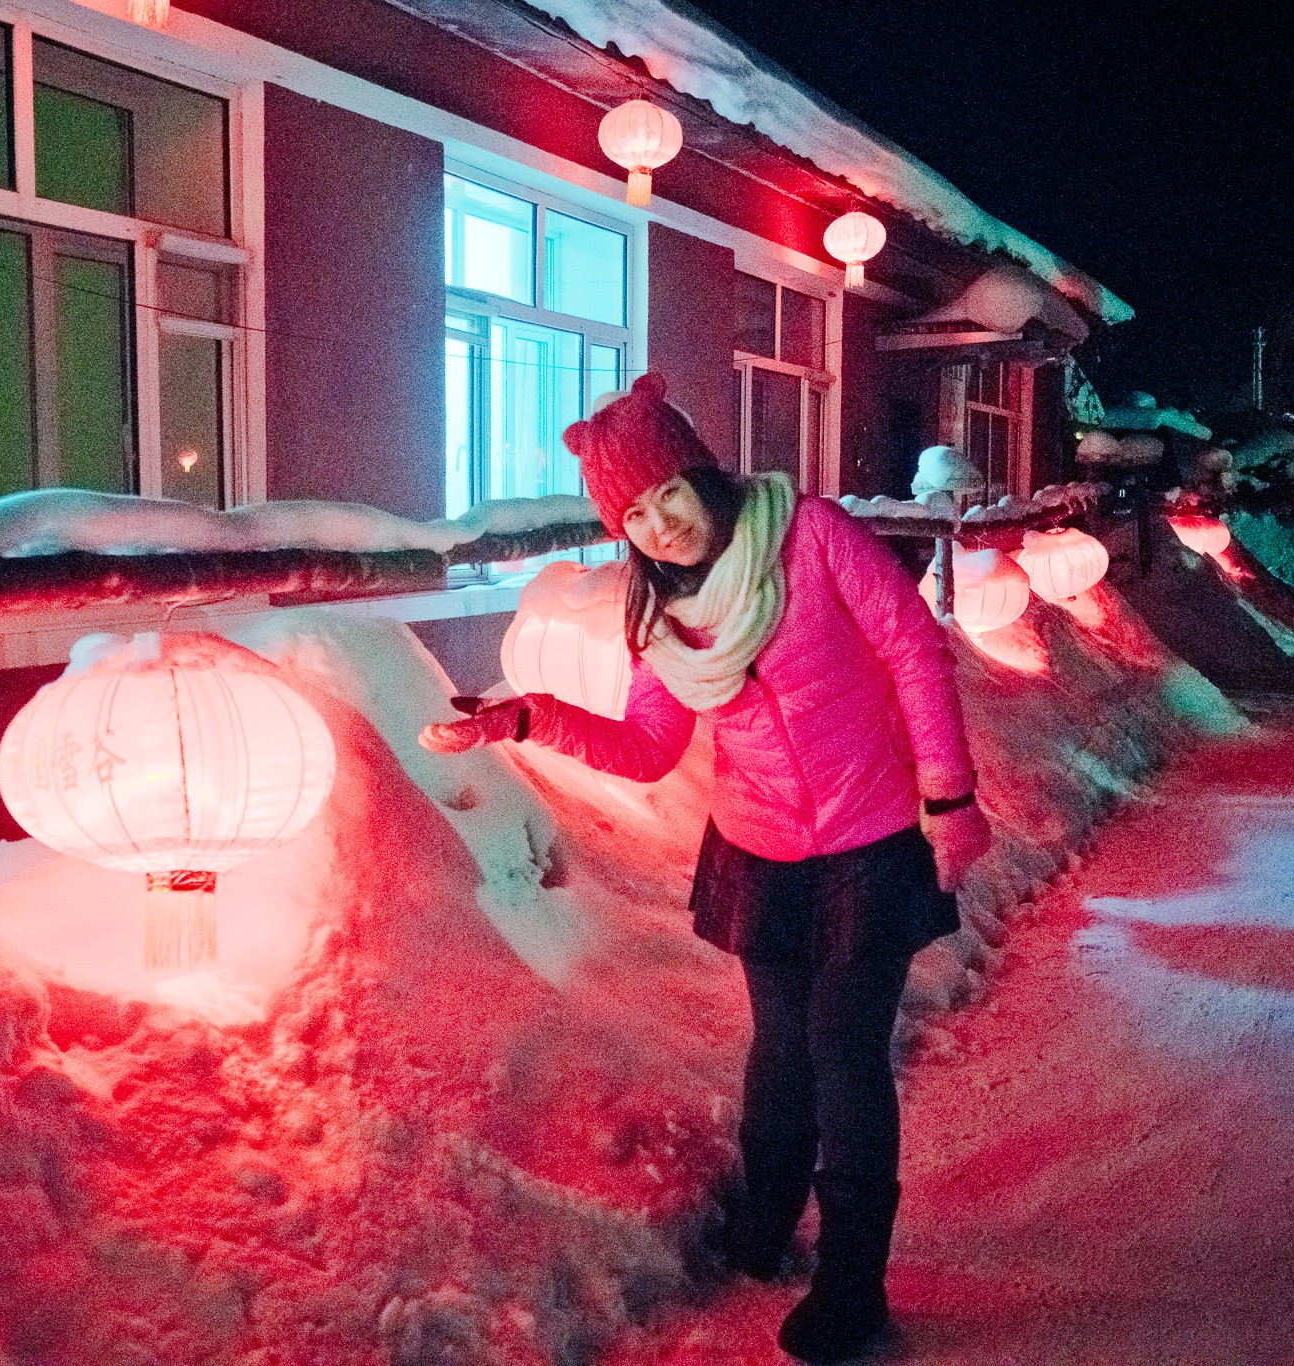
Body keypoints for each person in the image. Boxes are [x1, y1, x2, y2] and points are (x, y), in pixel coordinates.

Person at [419, 373, 990, 1363]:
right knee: (778, 1048)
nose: (658, 526)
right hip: (759, 844)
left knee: (842, 1051)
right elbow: (645, 747)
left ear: (701, 472)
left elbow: (909, 647)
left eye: (665, 495)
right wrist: (520, 718)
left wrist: (945, 793)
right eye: (632, 516)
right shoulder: (664, 615)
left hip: (866, 834)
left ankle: (852, 1278)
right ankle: (766, 1223)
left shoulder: (809, 535)